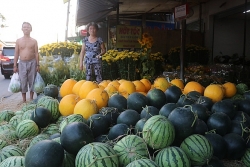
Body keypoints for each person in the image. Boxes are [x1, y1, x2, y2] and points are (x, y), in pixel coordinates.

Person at [13, 22, 40, 102]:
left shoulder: (34, 41)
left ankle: (31, 99)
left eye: (28, 27)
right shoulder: (18, 41)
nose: (26, 28)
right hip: (22, 63)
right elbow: (16, 53)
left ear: (31, 29)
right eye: (24, 27)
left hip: (32, 62)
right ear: (22, 29)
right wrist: (15, 65)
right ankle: (24, 100)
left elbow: (36, 53)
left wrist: (38, 65)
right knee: (23, 80)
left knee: (32, 80)